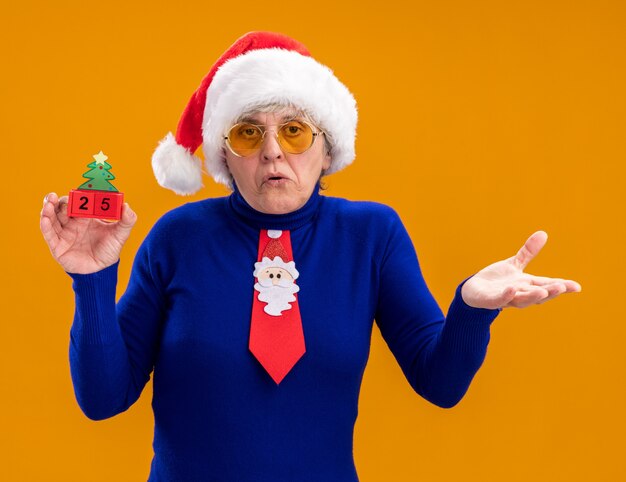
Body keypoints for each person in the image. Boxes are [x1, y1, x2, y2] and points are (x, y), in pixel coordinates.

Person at [40, 31, 581, 481]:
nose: (273, 150)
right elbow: (103, 398)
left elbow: (439, 383)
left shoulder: (373, 234)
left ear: (328, 148)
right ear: (225, 154)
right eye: (249, 132)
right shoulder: (176, 237)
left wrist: (470, 307)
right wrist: (91, 279)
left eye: (294, 131)